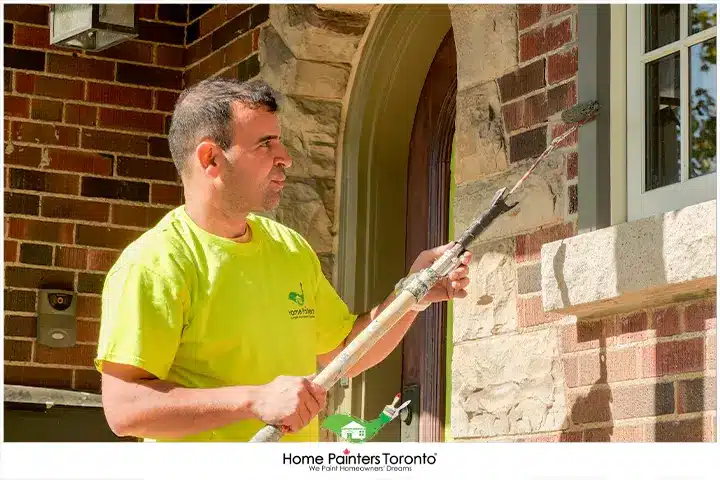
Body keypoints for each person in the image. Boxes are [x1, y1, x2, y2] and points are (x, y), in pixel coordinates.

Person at [95, 78, 472, 443]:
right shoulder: (154, 264)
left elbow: (345, 354)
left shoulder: (288, 247)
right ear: (210, 158)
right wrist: (255, 401)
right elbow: (125, 408)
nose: (285, 158)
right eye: (265, 144)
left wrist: (412, 294)